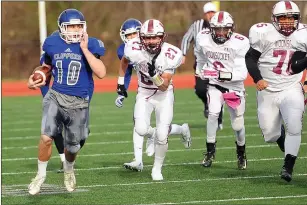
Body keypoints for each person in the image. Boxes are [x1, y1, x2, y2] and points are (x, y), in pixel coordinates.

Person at [27, 8, 106, 194]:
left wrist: (85, 49)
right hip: (55, 96)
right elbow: (46, 66)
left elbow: (101, 72)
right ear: (62, 28)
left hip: (79, 102)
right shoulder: (52, 43)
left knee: (72, 147)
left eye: (79, 26)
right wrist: (36, 76)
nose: (76, 30)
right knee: (46, 137)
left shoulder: (91, 44)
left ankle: (69, 170)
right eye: (71, 27)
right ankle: (40, 176)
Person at [116, 18, 192, 172]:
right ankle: (175, 131)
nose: (151, 41)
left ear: (162, 37)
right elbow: (124, 61)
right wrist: (120, 83)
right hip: (144, 92)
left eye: (154, 37)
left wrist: (154, 76)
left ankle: (157, 169)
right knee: (141, 129)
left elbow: (164, 86)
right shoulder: (133, 47)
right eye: (147, 38)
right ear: (141, 38)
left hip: (163, 95)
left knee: (163, 134)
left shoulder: (171, 54)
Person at [245, 1, 305, 182]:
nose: (287, 22)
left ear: (298, 19)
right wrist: (257, 78)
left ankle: (288, 166)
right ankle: (280, 137)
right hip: (268, 89)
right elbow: (250, 58)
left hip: (291, 87)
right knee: (270, 135)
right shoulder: (263, 33)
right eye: (283, 18)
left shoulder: (303, 34)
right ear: (274, 19)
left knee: (295, 126)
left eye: (291, 18)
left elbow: (297, 66)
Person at [195, 11, 249, 169]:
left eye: (224, 29)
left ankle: (241, 152)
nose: (220, 33)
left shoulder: (240, 43)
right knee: (212, 114)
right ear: (211, 28)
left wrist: (218, 74)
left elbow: (242, 74)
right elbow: (200, 55)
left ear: (231, 29)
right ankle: (210, 152)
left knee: (237, 125)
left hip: (234, 88)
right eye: (217, 29)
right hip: (214, 85)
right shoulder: (203, 38)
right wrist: (200, 69)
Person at [39, 30, 93, 173]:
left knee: (81, 135)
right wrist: (47, 96)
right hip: (56, 96)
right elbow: (45, 75)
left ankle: (69, 157)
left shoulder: (82, 51)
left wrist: (87, 98)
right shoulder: (50, 53)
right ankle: (63, 160)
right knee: (53, 131)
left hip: (79, 98)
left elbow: (92, 78)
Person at [181, 2, 223, 129]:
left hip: (217, 64)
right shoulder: (197, 25)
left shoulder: (222, 25)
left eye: (212, 13)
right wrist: (183, 54)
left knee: (217, 91)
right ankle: (207, 104)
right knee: (200, 89)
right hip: (201, 64)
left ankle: (218, 120)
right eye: (208, 13)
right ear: (205, 15)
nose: (210, 15)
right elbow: (186, 38)